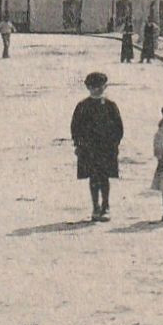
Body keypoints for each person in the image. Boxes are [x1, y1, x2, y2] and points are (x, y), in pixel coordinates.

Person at [71, 72, 123, 221]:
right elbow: (75, 127)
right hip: (89, 149)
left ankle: (106, 205)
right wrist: (78, 144)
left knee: (105, 177)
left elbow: (118, 127)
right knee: (93, 177)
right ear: (88, 88)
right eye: (93, 87)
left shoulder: (110, 106)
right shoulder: (82, 106)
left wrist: (114, 144)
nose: (97, 90)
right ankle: (95, 206)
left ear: (105, 87)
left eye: (100, 87)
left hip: (106, 148)